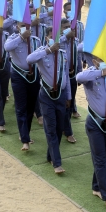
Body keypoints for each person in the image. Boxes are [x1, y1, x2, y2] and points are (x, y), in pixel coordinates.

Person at [77, 54, 106, 211]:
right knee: (100, 159)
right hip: (95, 123)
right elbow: (79, 77)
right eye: (101, 60)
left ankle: (96, 187)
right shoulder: (90, 74)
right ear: (94, 61)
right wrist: (101, 72)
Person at [26, 26, 71, 174]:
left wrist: (69, 96)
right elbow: (29, 59)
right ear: (47, 38)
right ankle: (57, 163)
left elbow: (66, 77)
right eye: (53, 37)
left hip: (61, 95)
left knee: (59, 128)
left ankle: (50, 155)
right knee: (51, 128)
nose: (56, 40)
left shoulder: (63, 54)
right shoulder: (42, 52)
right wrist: (48, 50)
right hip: (47, 95)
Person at [5, 21, 42, 151]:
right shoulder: (12, 39)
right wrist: (21, 37)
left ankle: (26, 132)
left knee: (30, 108)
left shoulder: (36, 41)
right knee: (21, 107)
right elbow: (7, 48)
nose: (26, 29)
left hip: (34, 76)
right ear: (17, 27)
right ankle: (25, 139)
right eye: (22, 26)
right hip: (18, 76)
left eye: (28, 26)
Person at [59, 17, 81, 142]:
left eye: (69, 27)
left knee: (70, 102)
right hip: (61, 76)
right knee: (66, 103)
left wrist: (79, 73)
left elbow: (78, 58)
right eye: (65, 27)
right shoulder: (59, 41)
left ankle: (64, 126)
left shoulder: (75, 41)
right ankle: (68, 132)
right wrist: (66, 36)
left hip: (72, 76)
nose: (68, 29)